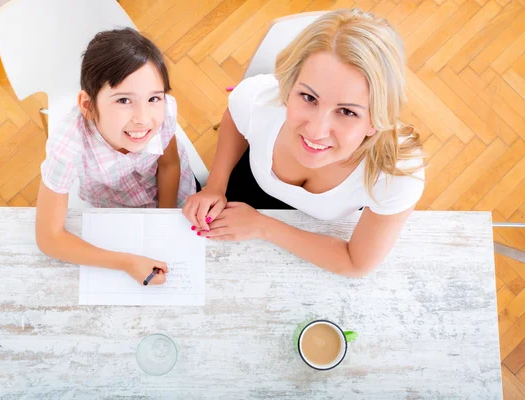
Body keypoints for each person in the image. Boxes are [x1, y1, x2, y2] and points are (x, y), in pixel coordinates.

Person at [183, 9, 425, 278]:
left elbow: (356, 264)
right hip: (243, 191)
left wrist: (263, 226)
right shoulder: (260, 100)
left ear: (376, 121)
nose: (316, 131)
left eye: (347, 112)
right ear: (288, 86)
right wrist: (216, 185)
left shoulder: (397, 174)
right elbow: (235, 117)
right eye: (309, 98)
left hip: (314, 232)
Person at [36, 28, 197, 285]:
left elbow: (168, 164)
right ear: (88, 106)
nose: (143, 119)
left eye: (154, 97)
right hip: (114, 212)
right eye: (123, 100)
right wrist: (127, 262)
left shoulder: (163, 111)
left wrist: (162, 221)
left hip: (174, 197)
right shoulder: (68, 145)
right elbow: (48, 237)